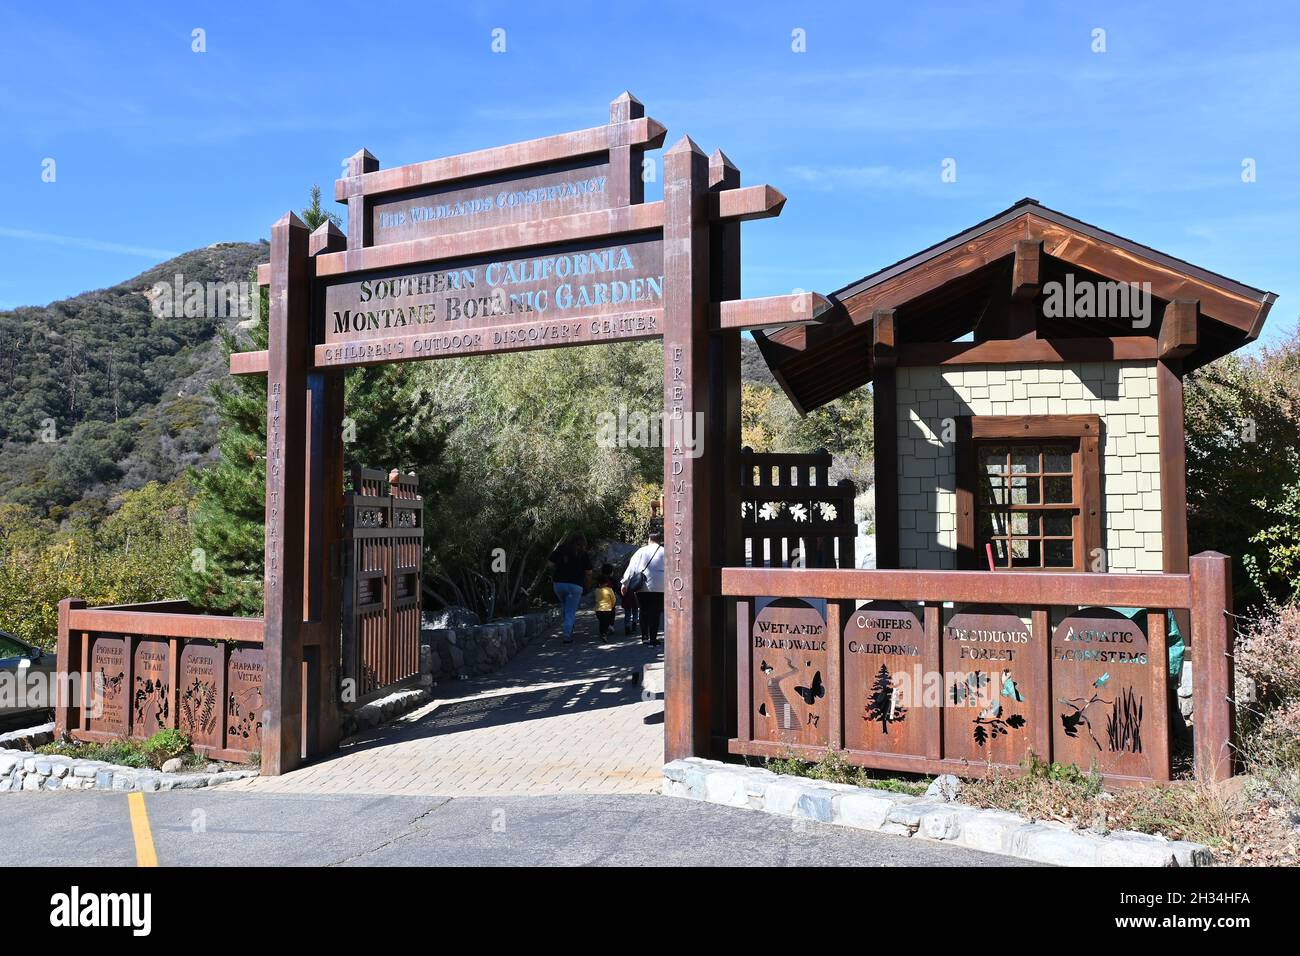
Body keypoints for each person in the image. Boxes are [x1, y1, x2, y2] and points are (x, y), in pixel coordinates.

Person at [621, 531, 665, 646]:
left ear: (649, 540)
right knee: (655, 612)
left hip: (643, 585)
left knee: (644, 610)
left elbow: (632, 567)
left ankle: (644, 637)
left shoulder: (641, 551)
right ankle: (653, 639)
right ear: (660, 540)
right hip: (660, 586)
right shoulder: (665, 551)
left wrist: (624, 583)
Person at [548, 531, 591, 644]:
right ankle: (567, 635)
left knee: (565, 607)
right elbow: (589, 572)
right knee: (570, 611)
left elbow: (550, 564)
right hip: (575, 585)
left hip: (559, 584)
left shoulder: (561, 549)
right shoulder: (583, 553)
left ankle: (569, 627)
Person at [593, 564, 618, 640]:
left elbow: (595, 597)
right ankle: (609, 627)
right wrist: (613, 604)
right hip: (609, 606)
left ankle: (603, 632)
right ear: (611, 572)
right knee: (610, 617)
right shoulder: (612, 582)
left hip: (599, 608)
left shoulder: (597, 587)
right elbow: (614, 597)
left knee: (602, 621)